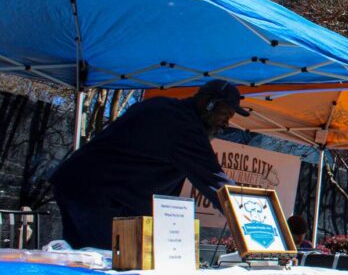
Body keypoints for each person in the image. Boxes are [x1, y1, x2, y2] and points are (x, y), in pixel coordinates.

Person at [51, 79, 245, 249]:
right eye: (225, 115)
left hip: (84, 186)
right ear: (208, 104)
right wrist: (250, 221)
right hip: (95, 192)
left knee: (89, 259)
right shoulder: (182, 126)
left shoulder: (165, 108)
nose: (226, 124)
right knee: (104, 262)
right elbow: (215, 181)